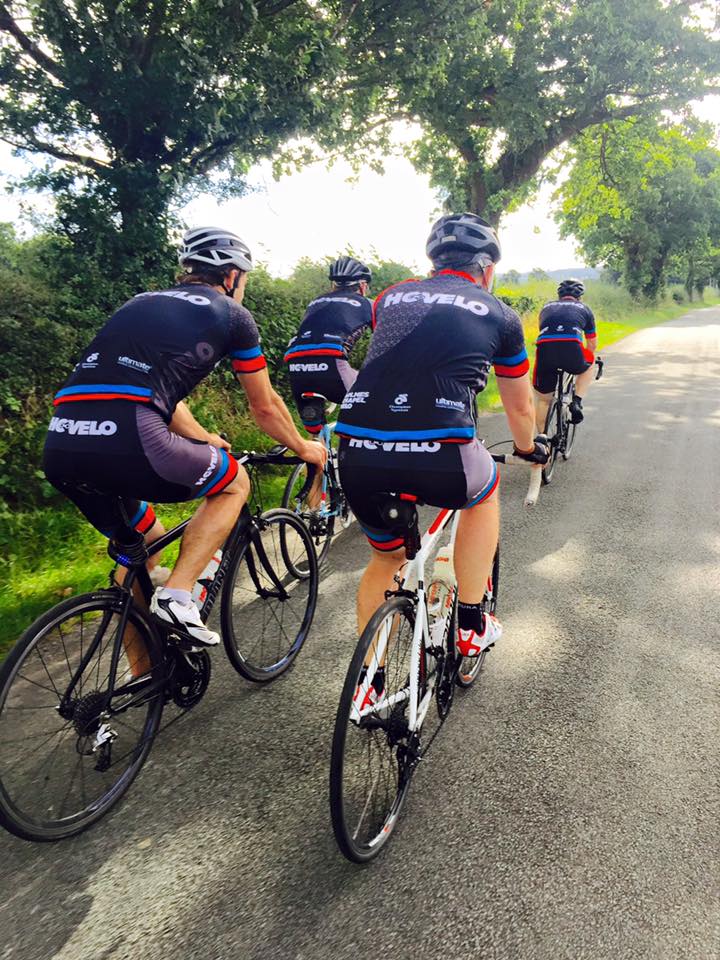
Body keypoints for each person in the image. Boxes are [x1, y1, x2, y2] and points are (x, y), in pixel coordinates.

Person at [43, 226, 326, 648]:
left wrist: (204, 439)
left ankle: (141, 679)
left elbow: (154, 393)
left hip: (63, 443)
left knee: (144, 545)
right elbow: (264, 405)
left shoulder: (138, 303)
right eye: (243, 279)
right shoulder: (231, 315)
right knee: (234, 483)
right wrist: (306, 448)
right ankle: (177, 596)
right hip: (132, 439)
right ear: (231, 276)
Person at [335, 213, 548, 665]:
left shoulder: (390, 297)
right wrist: (529, 449)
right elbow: (520, 407)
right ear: (487, 269)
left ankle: (367, 685)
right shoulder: (502, 315)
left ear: (432, 262)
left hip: (356, 450)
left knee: (386, 560)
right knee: (484, 493)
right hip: (442, 454)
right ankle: (472, 624)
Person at [284, 256, 372, 505]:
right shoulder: (366, 303)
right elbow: (384, 343)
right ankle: (364, 472)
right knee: (374, 406)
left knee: (317, 441)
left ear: (333, 285)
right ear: (362, 286)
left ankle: (311, 513)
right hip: (332, 366)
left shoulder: (316, 302)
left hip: (297, 368)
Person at [533, 279, 597, 429]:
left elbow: (544, 331)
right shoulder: (584, 309)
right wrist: (586, 357)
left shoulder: (546, 307)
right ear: (580, 297)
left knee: (543, 400)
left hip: (545, 350)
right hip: (572, 350)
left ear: (559, 295)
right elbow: (592, 344)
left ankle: (542, 441)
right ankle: (577, 402)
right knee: (590, 361)